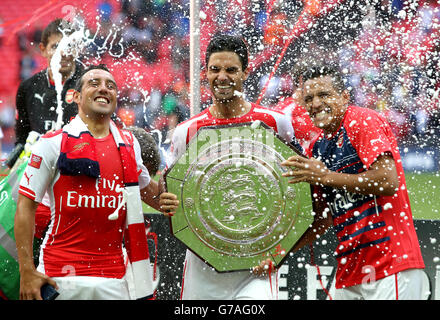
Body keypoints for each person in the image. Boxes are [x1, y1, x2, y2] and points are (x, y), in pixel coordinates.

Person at [14, 64, 173, 300]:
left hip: (113, 279)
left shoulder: (130, 144)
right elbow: (25, 208)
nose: (104, 89)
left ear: (116, 99)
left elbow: (145, 190)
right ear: (76, 97)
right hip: (60, 277)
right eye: (94, 83)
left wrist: (166, 201)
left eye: (111, 86)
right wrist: (26, 270)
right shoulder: (51, 144)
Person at [161, 34, 300, 300]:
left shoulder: (275, 123)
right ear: (206, 73)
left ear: (245, 73)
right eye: (215, 69)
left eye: (230, 70)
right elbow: (171, 190)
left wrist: (279, 251)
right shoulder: (185, 132)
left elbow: (299, 190)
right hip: (203, 263)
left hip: (257, 263)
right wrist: (165, 199)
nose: (222, 77)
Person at [282, 65, 425, 300]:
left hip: (392, 264)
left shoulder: (362, 120)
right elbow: (321, 218)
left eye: (324, 95)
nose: (315, 104)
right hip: (351, 271)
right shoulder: (318, 147)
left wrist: (325, 176)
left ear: (345, 96)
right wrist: (279, 253)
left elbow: (387, 181)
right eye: (308, 99)